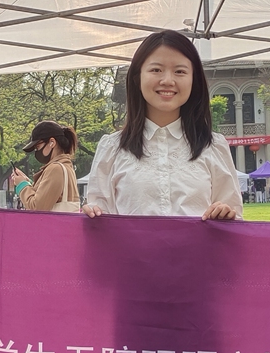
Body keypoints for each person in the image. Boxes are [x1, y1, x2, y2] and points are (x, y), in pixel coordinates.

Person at [83, 30, 241, 220]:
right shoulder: (112, 149)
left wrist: (225, 214)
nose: (167, 81)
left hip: (198, 251)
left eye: (180, 71)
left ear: (194, 80)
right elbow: (101, 224)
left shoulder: (213, 146)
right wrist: (91, 214)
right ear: (137, 77)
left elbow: (234, 220)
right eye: (156, 70)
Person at [8, 121, 80, 212]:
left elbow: (37, 207)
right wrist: (27, 182)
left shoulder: (55, 168)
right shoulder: (65, 166)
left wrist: (22, 185)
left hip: (52, 226)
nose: (37, 151)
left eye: (38, 147)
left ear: (52, 142)